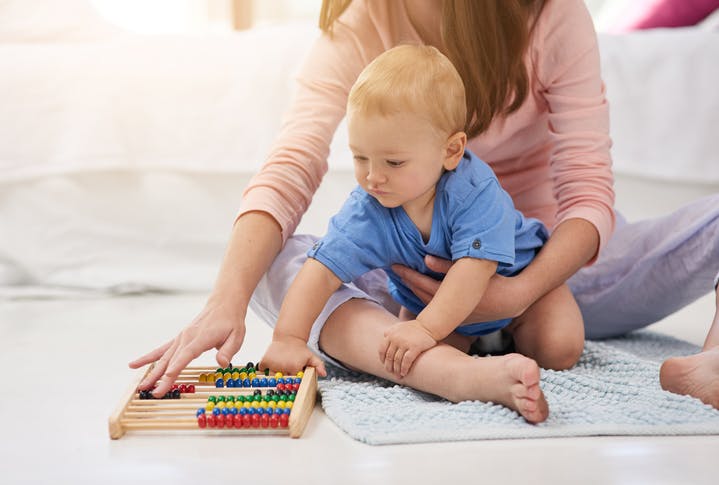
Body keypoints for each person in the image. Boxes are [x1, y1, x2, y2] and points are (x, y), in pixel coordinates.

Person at [130, 0, 719, 411]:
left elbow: (588, 192)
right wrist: (224, 302)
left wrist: (514, 292)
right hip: (412, 283)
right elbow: (293, 163)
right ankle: (446, 370)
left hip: (541, 263)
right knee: (271, 262)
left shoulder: (549, 14)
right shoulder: (360, 18)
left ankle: (712, 362)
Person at [258, 45, 584, 423]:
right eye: (360, 157)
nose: (373, 176)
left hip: (520, 287)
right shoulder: (369, 206)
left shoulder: (475, 192)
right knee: (418, 365)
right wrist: (289, 338)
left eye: (393, 162)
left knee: (558, 349)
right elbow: (321, 270)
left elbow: (473, 272)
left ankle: (507, 333)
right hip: (439, 307)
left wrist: (425, 328)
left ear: (451, 150)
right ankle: (483, 362)